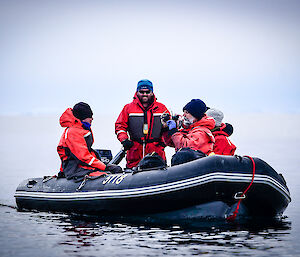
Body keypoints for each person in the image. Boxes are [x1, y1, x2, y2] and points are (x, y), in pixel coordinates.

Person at [57, 102, 122, 180]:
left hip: (83, 166)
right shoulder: (73, 132)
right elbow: (82, 156)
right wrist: (104, 166)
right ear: (83, 117)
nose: (92, 119)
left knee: (116, 170)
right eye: (90, 116)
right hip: (76, 169)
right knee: (105, 174)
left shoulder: (81, 128)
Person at [115, 79, 170, 168]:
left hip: (156, 152)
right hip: (135, 152)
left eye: (147, 92)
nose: (145, 94)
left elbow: (168, 128)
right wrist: (124, 140)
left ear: (152, 92)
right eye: (141, 92)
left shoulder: (161, 108)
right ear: (137, 92)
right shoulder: (128, 108)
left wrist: (164, 143)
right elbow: (120, 126)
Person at [162, 99, 215, 165]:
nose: (184, 115)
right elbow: (172, 142)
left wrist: (174, 131)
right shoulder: (190, 130)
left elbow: (185, 146)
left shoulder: (202, 132)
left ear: (195, 114)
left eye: (186, 112)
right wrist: (167, 129)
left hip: (198, 167)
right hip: (189, 166)